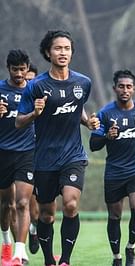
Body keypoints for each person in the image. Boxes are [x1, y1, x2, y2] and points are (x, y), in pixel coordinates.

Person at [15, 30, 100, 266]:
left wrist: (88, 122)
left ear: (72, 52)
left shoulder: (83, 82)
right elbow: (19, 121)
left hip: (73, 155)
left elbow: (77, 108)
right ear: (47, 52)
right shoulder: (37, 86)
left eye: (67, 48)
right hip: (44, 158)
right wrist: (35, 113)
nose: (63, 53)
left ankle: (65, 260)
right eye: (57, 48)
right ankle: (48, 260)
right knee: (47, 214)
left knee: (71, 204)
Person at [90, 69, 135, 266]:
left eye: (129, 87)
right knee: (114, 216)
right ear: (114, 89)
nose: (125, 90)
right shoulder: (105, 113)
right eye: (121, 86)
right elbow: (94, 145)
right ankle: (116, 257)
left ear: (134, 89)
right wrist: (106, 137)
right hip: (114, 172)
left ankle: (130, 247)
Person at [0, 49, 34, 265]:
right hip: (3, 152)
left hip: (27, 151)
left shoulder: (34, 90)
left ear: (27, 69)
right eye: (15, 69)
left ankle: (20, 254)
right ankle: (6, 242)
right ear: (8, 69)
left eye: (22, 69)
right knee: (7, 205)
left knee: (22, 202)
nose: (19, 73)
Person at [24, 62, 41, 256]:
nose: (28, 82)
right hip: (18, 156)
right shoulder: (10, 100)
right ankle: (16, 250)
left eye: (32, 79)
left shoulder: (44, 100)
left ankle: (34, 231)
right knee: (17, 202)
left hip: (40, 156)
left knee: (36, 210)